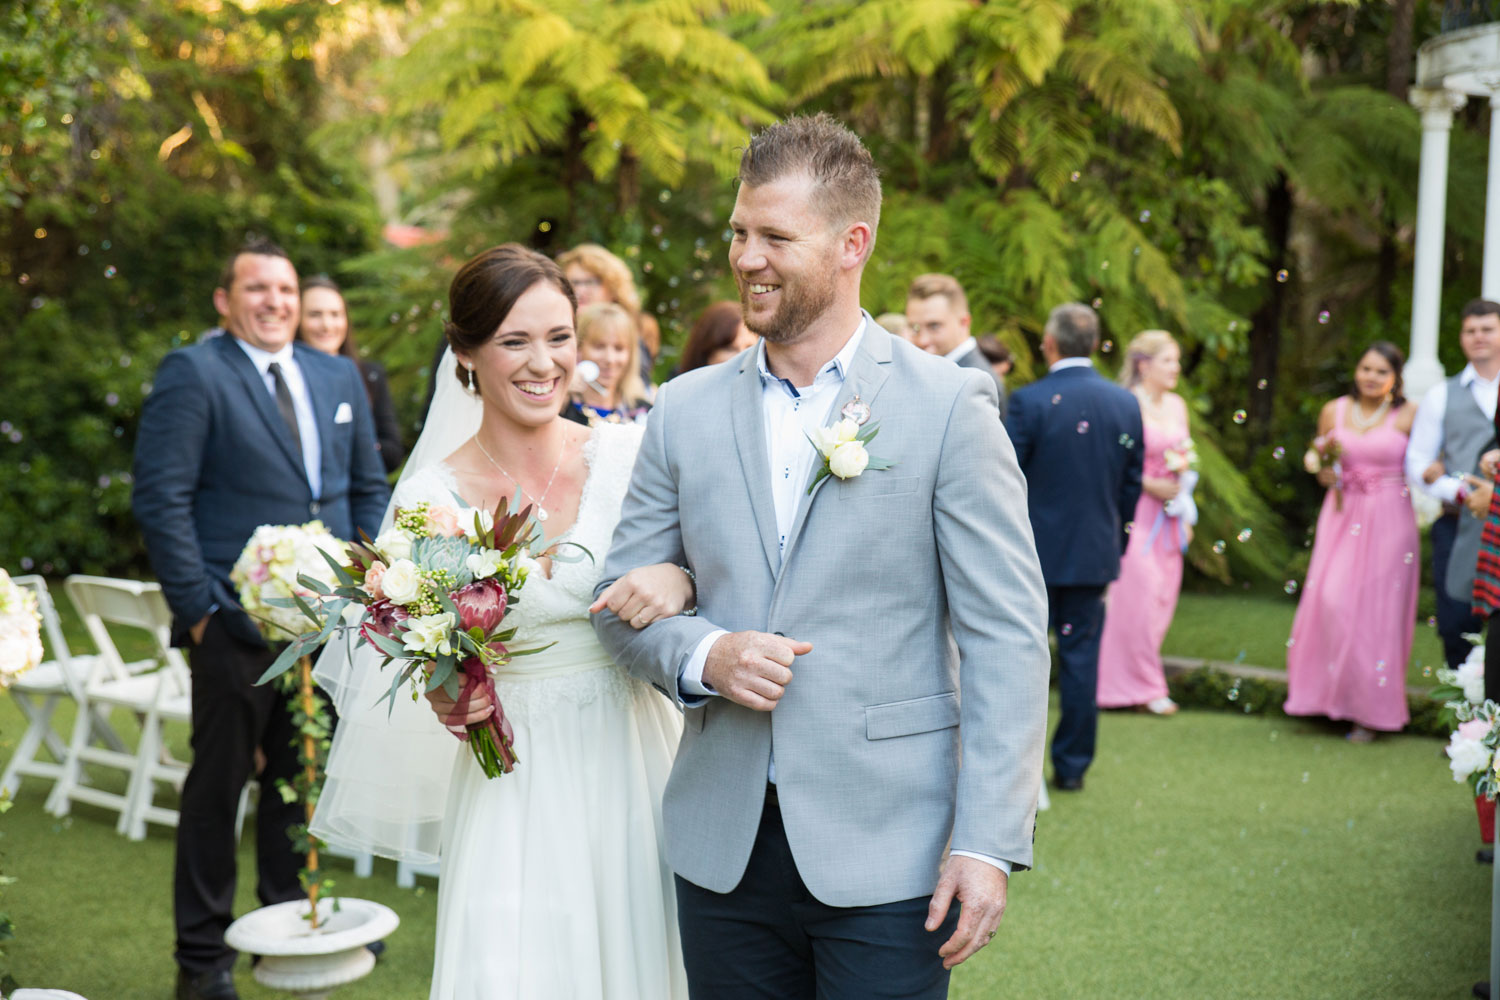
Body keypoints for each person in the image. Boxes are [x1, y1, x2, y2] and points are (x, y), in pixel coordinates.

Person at [592, 113, 1050, 1000]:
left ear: (853, 244)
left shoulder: (949, 407)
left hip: (893, 847)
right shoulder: (681, 410)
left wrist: (986, 841)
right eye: (737, 232)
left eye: (774, 237)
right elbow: (620, 599)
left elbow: (1008, 635)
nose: (745, 258)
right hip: (721, 852)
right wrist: (703, 655)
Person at [310, 244, 696, 999]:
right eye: (514, 341)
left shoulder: (629, 457)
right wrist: (444, 689)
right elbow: (420, 649)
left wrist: (676, 580)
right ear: (465, 353)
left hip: (636, 756)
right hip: (511, 774)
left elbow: (711, 580)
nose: (542, 363)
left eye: (559, 337)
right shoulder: (430, 499)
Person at [131, 238, 391, 1000]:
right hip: (234, 630)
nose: (276, 301)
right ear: (225, 299)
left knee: (302, 782)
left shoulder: (336, 371)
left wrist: (363, 574)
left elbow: (363, 487)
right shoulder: (195, 372)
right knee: (219, 790)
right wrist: (204, 612)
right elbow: (162, 498)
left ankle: (290, 927)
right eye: (257, 288)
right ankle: (202, 959)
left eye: (284, 288)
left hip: (325, 625)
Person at [1005, 303, 1144, 791]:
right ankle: (1071, 769)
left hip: (1030, 558)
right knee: (1082, 660)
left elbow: (1005, 481)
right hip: (1094, 553)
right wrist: (1115, 537)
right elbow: (1132, 484)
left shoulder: (1028, 401)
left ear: (1050, 343)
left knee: (1020, 658)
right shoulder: (1125, 404)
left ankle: (1017, 770)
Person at [1285, 342, 1419, 741]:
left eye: (1381, 371)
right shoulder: (1335, 409)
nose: (1371, 377)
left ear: (1395, 377)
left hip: (1390, 518)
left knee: (1377, 612)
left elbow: (1430, 456)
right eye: (1365, 368)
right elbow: (1320, 451)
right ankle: (1325, 699)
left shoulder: (1409, 414)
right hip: (1342, 513)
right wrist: (1321, 469)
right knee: (1331, 598)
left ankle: (1370, 712)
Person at [1097, 331, 1195, 716]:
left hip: (1168, 518)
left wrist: (1185, 507)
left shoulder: (1177, 405)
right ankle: (1136, 687)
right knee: (1134, 595)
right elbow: (1109, 463)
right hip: (1132, 512)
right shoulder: (1125, 404)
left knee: (1160, 599)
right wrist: (1147, 483)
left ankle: (1135, 683)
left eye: (1176, 360)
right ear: (1143, 364)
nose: (1176, 368)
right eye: (1168, 360)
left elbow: (1186, 460)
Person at [1404, 299, 1500, 670]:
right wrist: (1460, 492)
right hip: (1458, 523)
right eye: (1471, 330)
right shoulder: (1442, 394)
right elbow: (1417, 462)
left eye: (1488, 329)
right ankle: (1467, 721)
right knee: (1456, 622)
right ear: (1461, 338)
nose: (1479, 337)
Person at [297, 276, 406, 472]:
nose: (327, 325)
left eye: (335, 314)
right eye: (315, 314)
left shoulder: (369, 375)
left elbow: (393, 452)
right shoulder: (285, 377)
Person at [905, 273, 1005, 417]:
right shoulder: (932, 369)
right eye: (915, 328)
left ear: (964, 323)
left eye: (934, 326)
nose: (922, 340)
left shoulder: (978, 381)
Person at [558, 243, 655, 387]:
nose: (580, 290)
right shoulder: (556, 334)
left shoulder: (630, 339)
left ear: (613, 289)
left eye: (591, 282)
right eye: (574, 282)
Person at [563, 302, 652, 425]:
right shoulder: (560, 406)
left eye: (619, 348)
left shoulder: (642, 412)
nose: (609, 359)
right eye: (599, 346)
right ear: (579, 348)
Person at [679, 300, 758, 373]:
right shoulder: (678, 386)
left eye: (749, 348)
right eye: (730, 349)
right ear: (706, 353)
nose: (742, 357)